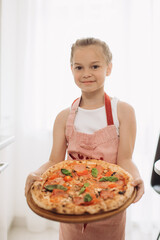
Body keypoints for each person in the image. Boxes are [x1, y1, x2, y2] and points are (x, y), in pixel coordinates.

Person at [25, 37, 144, 240]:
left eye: (95, 66)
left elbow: (125, 160)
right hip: (69, 206)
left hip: (110, 208)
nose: (86, 73)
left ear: (109, 68)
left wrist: (136, 178)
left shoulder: (123, 112)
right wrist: (35, 173)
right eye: (79, 67)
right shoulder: (63, 117)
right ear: (71, 69)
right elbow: (55, 162)